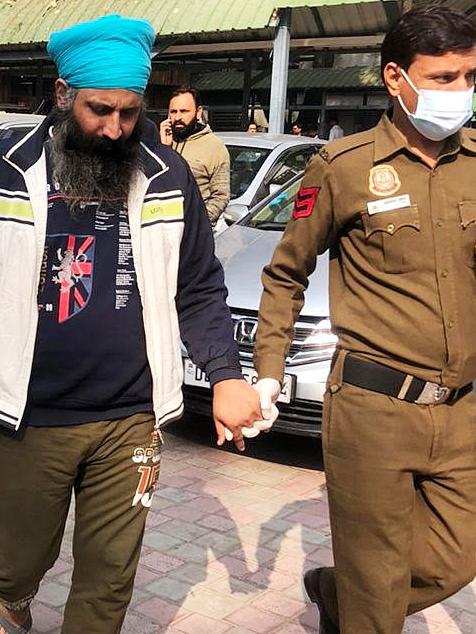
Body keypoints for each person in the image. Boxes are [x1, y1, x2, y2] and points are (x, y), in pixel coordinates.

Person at [0, 15, 263, 634]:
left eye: (129, 112)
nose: (115, 129)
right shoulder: (9, 171)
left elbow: (198, 285)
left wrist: (226, 374)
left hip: (130, 418)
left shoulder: (166, 175)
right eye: (99, 110)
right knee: (11, 567)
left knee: (109, 580)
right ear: (63, 94)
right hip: (29, 418)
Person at [253, 6, 476, 634]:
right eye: (442, 78)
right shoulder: (342, 167)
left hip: (462, 410)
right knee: (377, 594)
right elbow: (285, 272)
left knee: (458, 556)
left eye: (468, 76)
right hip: (374, 410)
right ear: (395, 78)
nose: (459, 92)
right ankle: (359, 603)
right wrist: (269, 373)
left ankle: (337, 593)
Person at [159, 87, 230, 228]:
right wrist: (163, 149)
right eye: (173, 112)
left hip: (194, 234)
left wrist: (198, 226)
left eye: (184, 111)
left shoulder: (214, 147)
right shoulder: (163, 142)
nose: (178, 117)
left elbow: (221, 196)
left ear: (198, 112)